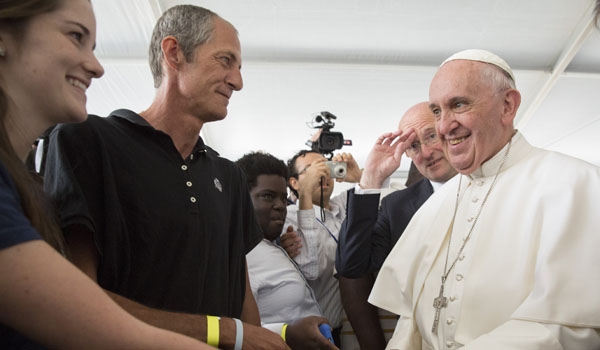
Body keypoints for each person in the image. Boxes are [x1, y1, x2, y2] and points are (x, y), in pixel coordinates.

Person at [43, 4, 288, 349]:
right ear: (174, 53)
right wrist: (224, 332)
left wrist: (258, 338)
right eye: (225, 60)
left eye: (239, 66)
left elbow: (242, 295)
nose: (238, 81)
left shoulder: (229, 176)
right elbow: (77, 298)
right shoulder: (87, 141)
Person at [0, 1, 210, 348]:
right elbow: (113, 335)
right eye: (75, 36)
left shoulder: (17, 186)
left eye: (94, 47)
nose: (97, 68)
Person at [369, 49, 600, 349]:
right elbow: (412, 321)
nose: (443, 126)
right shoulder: (437, 205)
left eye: (459, 104)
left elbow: (570, 327)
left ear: (507, 105)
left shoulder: (575, 185)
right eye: (437, 111)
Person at [335, 102, 457, 349]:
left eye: (431, 136)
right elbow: (352, 265)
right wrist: (370, 180)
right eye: (413, 146)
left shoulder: (495, 186)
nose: (425, 152)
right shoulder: (397, 206)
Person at [237, 151, 339, 350]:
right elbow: (232, 330)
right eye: (268, 196)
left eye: (284, 199)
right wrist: (287, 333)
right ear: (240, 198)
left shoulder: (273, 246)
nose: (280, 206)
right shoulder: (239, 257)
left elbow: (311, 267)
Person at [281, 149, 362, 347]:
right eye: (312, 169)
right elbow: (311, 270)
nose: (323, 173)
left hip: (353, 328)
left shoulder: (343, 205)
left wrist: (358, 176)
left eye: (327, 167)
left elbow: (382, 195)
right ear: (294, 183)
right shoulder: (288, 216)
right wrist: (306, 194)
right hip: (316, 335)